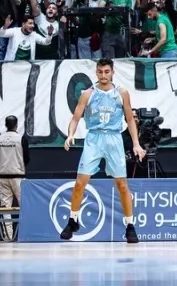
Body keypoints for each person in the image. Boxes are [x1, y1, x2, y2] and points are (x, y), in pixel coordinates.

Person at [59, 58, 146, 243]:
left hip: (114, 138)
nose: (103, 75)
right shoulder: (88, 94)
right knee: (80, 182)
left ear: (112, 72)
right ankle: (73, 220)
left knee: (122, 184)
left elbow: (130, 120)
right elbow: (75, 118)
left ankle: (130, 225)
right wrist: (70, 134)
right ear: (96, 72)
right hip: (94, 138)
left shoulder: (121, 93)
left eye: (107, 71)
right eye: (100, 72)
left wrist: (136, 144)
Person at [0, 114, 30, 241]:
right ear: (16, 125)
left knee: (6, 208)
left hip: (3, 177)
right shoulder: (21, 138)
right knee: (24, 206)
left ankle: (8, 235)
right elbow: (27, 158)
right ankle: (25, 234)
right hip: (18, 177)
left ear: (5, 125)